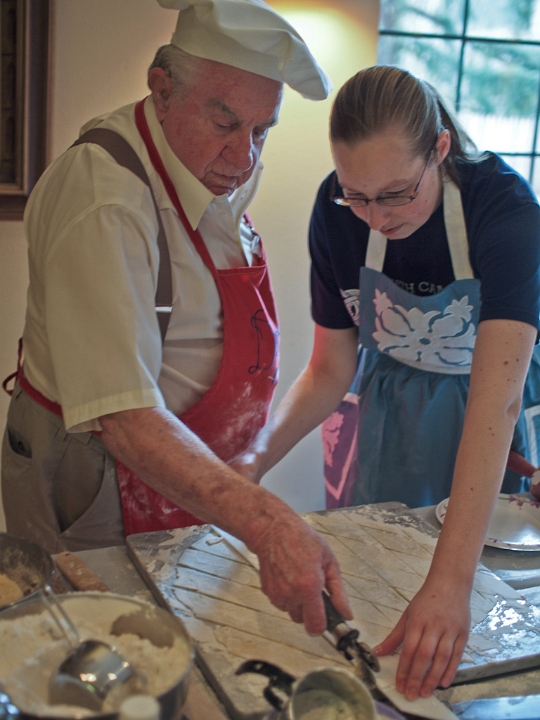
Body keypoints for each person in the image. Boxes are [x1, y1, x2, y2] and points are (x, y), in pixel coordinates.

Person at [0, 0, 353, 636]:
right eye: (225, 121)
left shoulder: (210, 158)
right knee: (94, 644)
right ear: (161, 89)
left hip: (184, 466)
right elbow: (128, 420)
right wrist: (268, 521)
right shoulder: (105, 202)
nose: (244, 157)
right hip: (98, 469)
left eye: (261, 130)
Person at [231, 66, 540, 698]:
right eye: (358, 195)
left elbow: (498, 394)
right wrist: (249, 464)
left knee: (478, 614)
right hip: (388, 424)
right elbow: (329, 370)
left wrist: (450, 583)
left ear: (441, 150)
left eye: (397, 194)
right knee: (378, 593)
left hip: (487, 426)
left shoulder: (504, 210)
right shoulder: (335, 210)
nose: (376, 218)